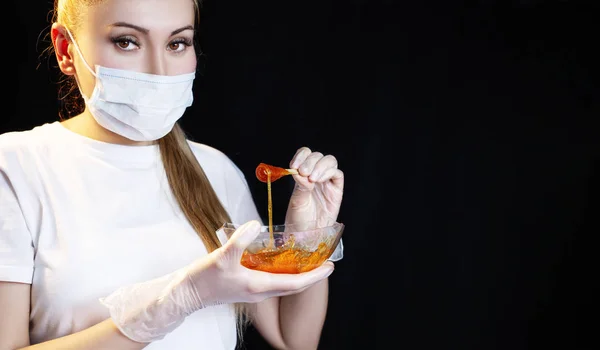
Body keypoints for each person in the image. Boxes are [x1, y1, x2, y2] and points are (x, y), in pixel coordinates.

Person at [0, 0, 345, 349]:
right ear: (65, 50)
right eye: (126, 41)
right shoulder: (14, 166)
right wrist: (180, 299)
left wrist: (310, 238)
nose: (159, 71)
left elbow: (294, 339)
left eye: (176, 43)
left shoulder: (216, 171)